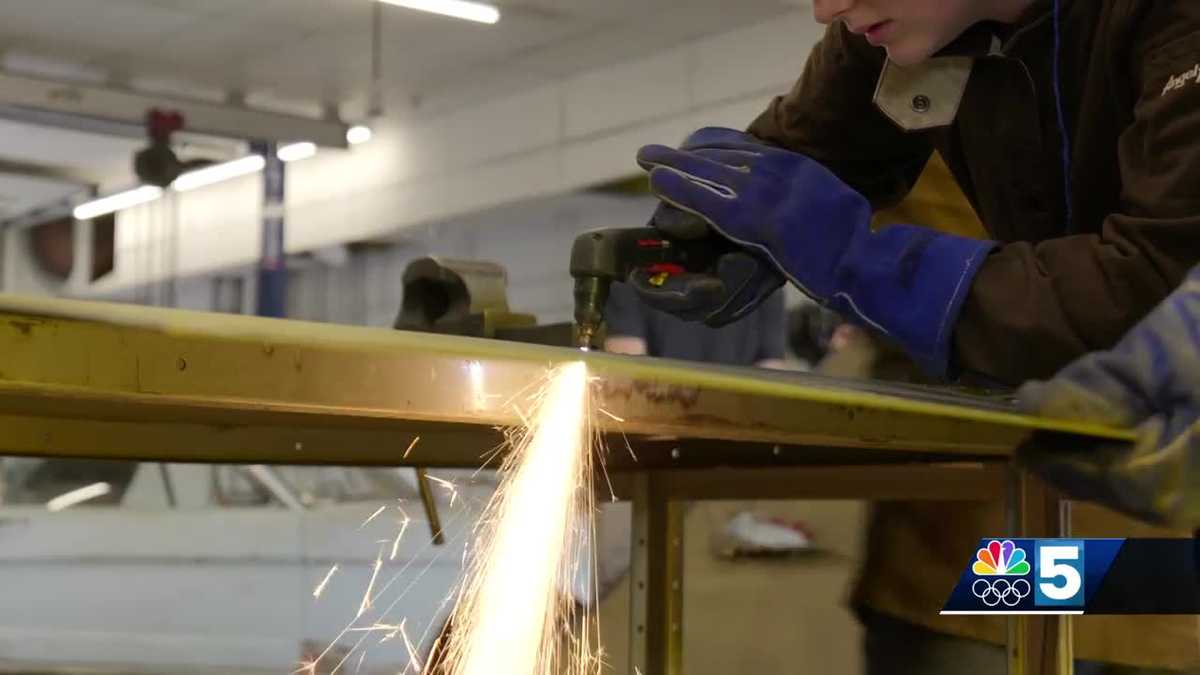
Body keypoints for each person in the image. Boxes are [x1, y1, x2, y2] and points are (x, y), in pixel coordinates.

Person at [627, 0, 1200, 672]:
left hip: (1123, 536)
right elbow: (805, 153)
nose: (825, 8)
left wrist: (863, 262)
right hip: (978, 539)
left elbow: (1155, 288)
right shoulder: (901, 28)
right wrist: (720, 234)